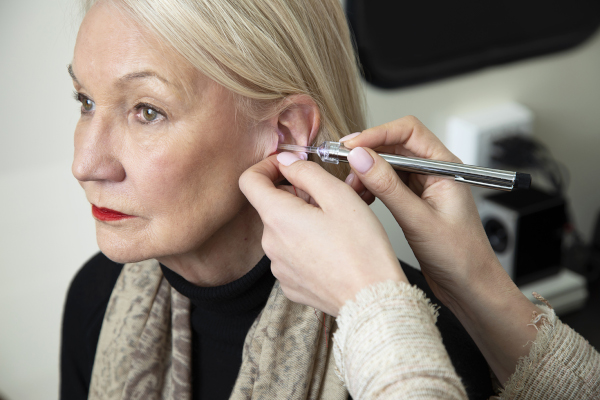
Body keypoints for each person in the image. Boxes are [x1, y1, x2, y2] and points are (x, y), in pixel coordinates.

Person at [61, 0, 496, 399]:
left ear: (285, 133)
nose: (86, 164)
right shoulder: (95, 299)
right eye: (86, 101)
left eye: (148, 111)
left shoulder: (427, 350)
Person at [239, 117, 600, 399]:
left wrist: (368, 297)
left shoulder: (453, 354)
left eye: (177, 115)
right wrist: (469, 281)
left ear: (289, 129)